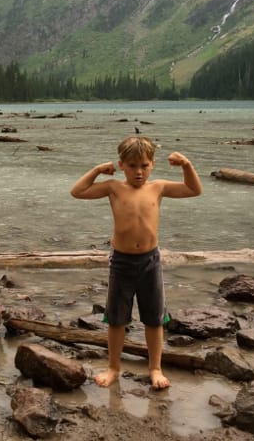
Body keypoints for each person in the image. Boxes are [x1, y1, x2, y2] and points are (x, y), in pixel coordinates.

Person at [70, 135, 202, 390]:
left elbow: (194, 190)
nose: (138, 172)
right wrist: (97, 169)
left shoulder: (159, 187)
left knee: (154, 318)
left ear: (152, 164)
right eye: (132, 166)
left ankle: (155, 368)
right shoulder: (113, 188)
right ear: (121, 165)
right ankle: (113, 367)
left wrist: (186, 165)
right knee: (117, 319)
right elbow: (77, 191)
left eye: (144, 165)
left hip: (150, 261)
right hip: (121, 262)